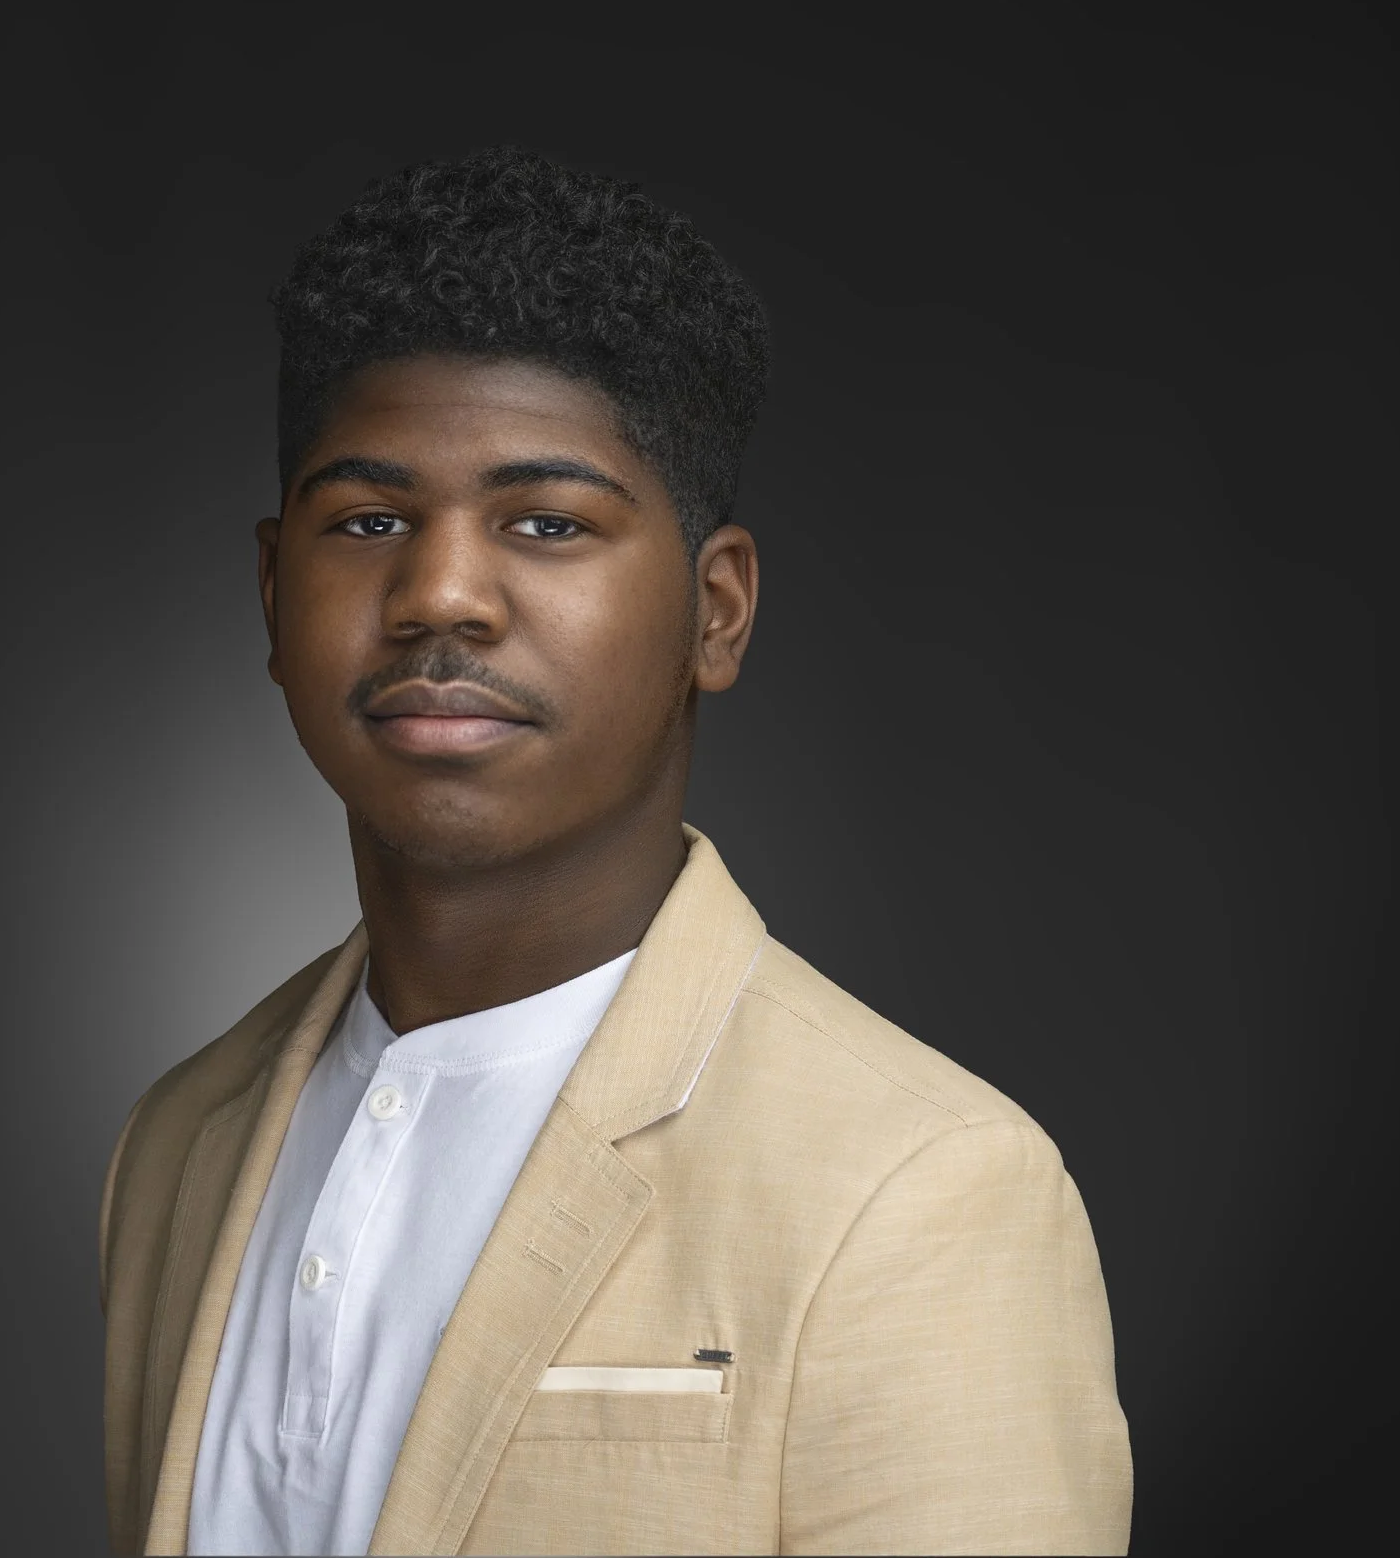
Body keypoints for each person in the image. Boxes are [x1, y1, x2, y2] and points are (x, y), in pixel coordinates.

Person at [97, 147, 1131, 1555]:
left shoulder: (924, 1191)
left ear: (717, 611)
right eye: (373, 519)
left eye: (545, 520)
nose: (440, 592)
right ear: (276, 593)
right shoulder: (177, 1143)